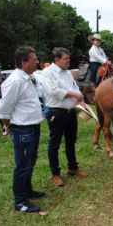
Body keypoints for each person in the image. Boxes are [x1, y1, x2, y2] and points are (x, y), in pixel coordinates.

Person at [0, 46, 44, 213]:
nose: (37, 61)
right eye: (34, 59)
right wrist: (8, 125)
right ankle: (20, 202)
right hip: (23, 130)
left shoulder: (28, 78)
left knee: (30, 162)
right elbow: (3, 108)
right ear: (24, 62)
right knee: (23, 165)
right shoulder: (15, 80)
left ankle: (27, 190)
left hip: (32, 126)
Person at [41, 47, 87, 187]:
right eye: (66, 59)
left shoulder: (67, 73)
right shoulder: (47, 72)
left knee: (71, 141)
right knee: (54, 144)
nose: (68, 61)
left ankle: (73, 168)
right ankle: (55, 174)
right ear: (56, 60)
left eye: (69, 58)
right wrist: (74, 95)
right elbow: (53, 91)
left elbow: (75, 88)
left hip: (70, 112)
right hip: (56, 113)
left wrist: (81, 100)